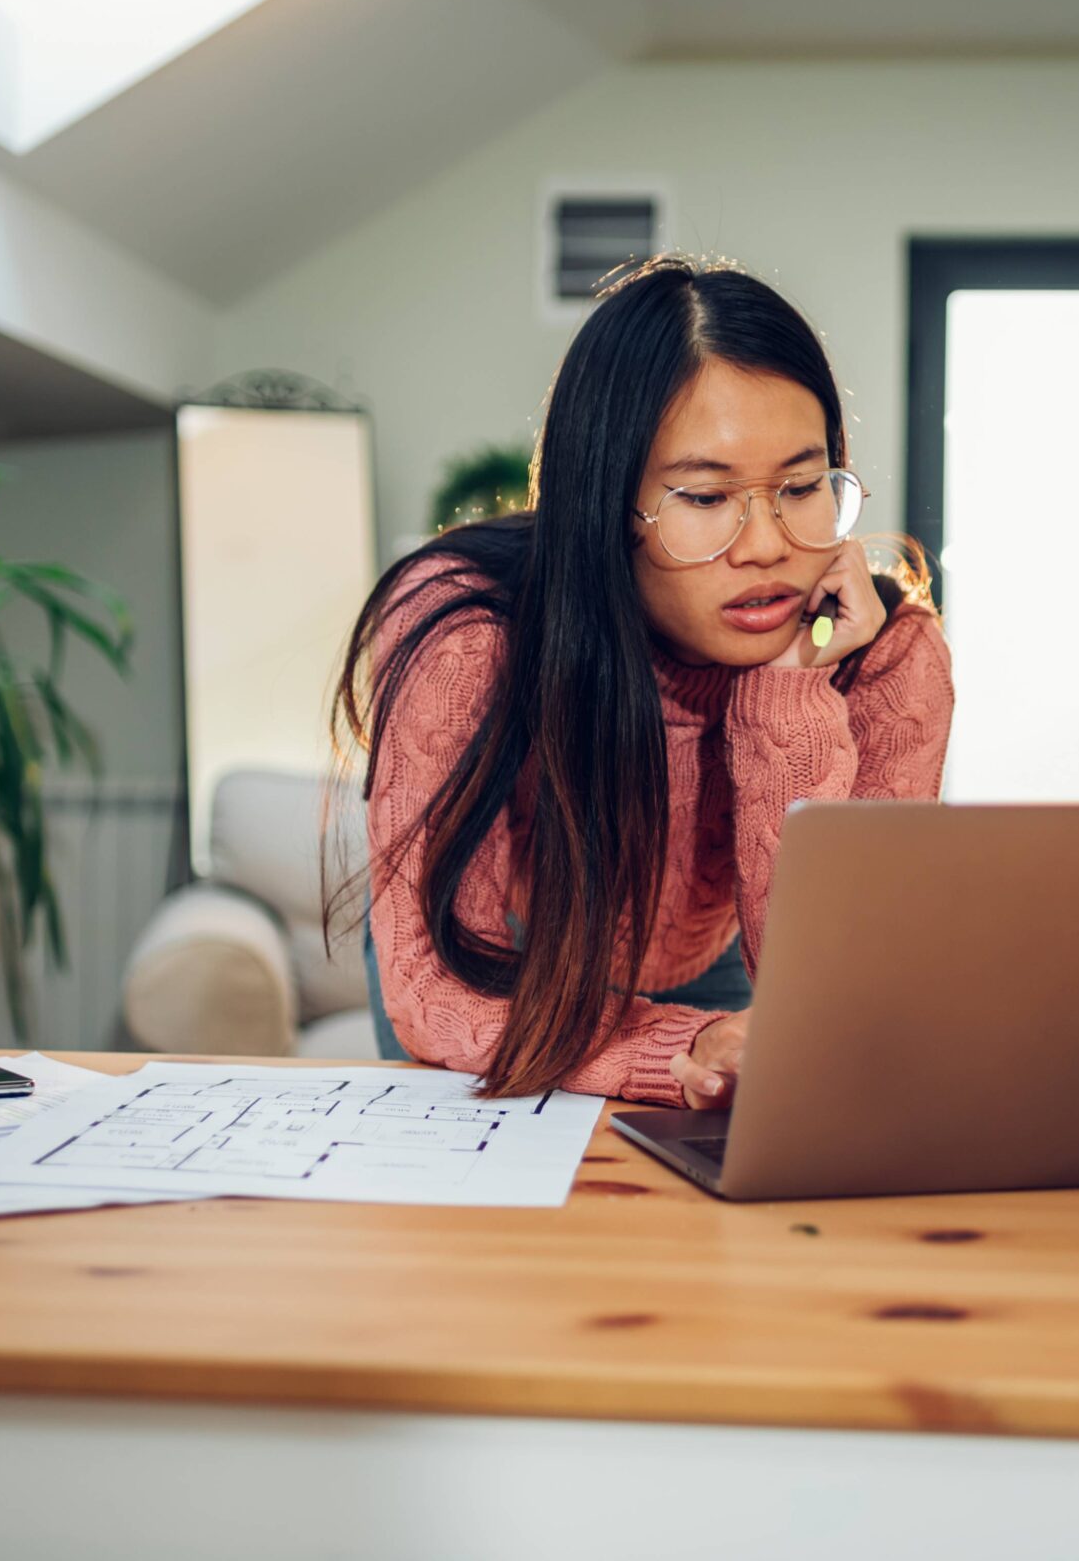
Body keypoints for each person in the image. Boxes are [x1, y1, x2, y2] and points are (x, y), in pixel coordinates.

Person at [330, 256, 954, 1108]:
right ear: (605, 506)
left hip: (725, 949)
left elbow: (842, 996)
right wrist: (683, 1043)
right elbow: (436, 987)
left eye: (803, 487)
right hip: (495, 959)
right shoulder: (466, 631)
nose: (767, 543)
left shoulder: (885, 655)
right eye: (704, 496)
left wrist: (787, 694)